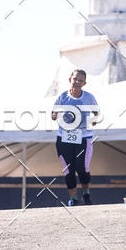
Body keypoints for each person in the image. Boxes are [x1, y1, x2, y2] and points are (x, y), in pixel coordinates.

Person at [52, 70, 99, 206]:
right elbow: (53, 111)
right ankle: (73, 198)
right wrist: (54, 115)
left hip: (84, 138)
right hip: (64, 137)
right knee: (68, 169)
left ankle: (86, 194)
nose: (77, 82)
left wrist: (94, 120)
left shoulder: (89, 97)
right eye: (75, 79)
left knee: (82, 168)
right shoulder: (63, 97)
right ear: (70, 79)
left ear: (84, 83)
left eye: (80, 80)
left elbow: (96, 111)